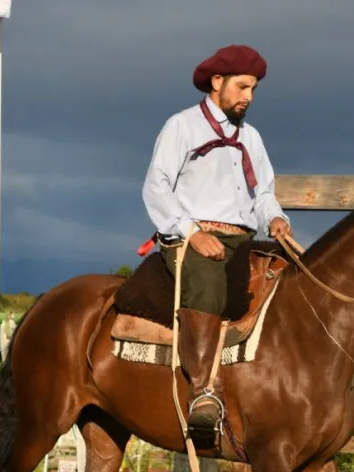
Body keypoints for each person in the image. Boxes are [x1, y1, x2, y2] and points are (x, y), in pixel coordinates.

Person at [141, 44, 292, 441]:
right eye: (242, 87)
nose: (249, 97)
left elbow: (263, 193)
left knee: (289, 276)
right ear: (217, 82)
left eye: (254, 89)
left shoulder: (252, 138)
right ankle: (204, 393)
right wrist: (193, 233)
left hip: (242, 237)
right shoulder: (182, 127)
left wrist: (274, 218)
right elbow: (156, 188)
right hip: (189, 238)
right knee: (208, 282)